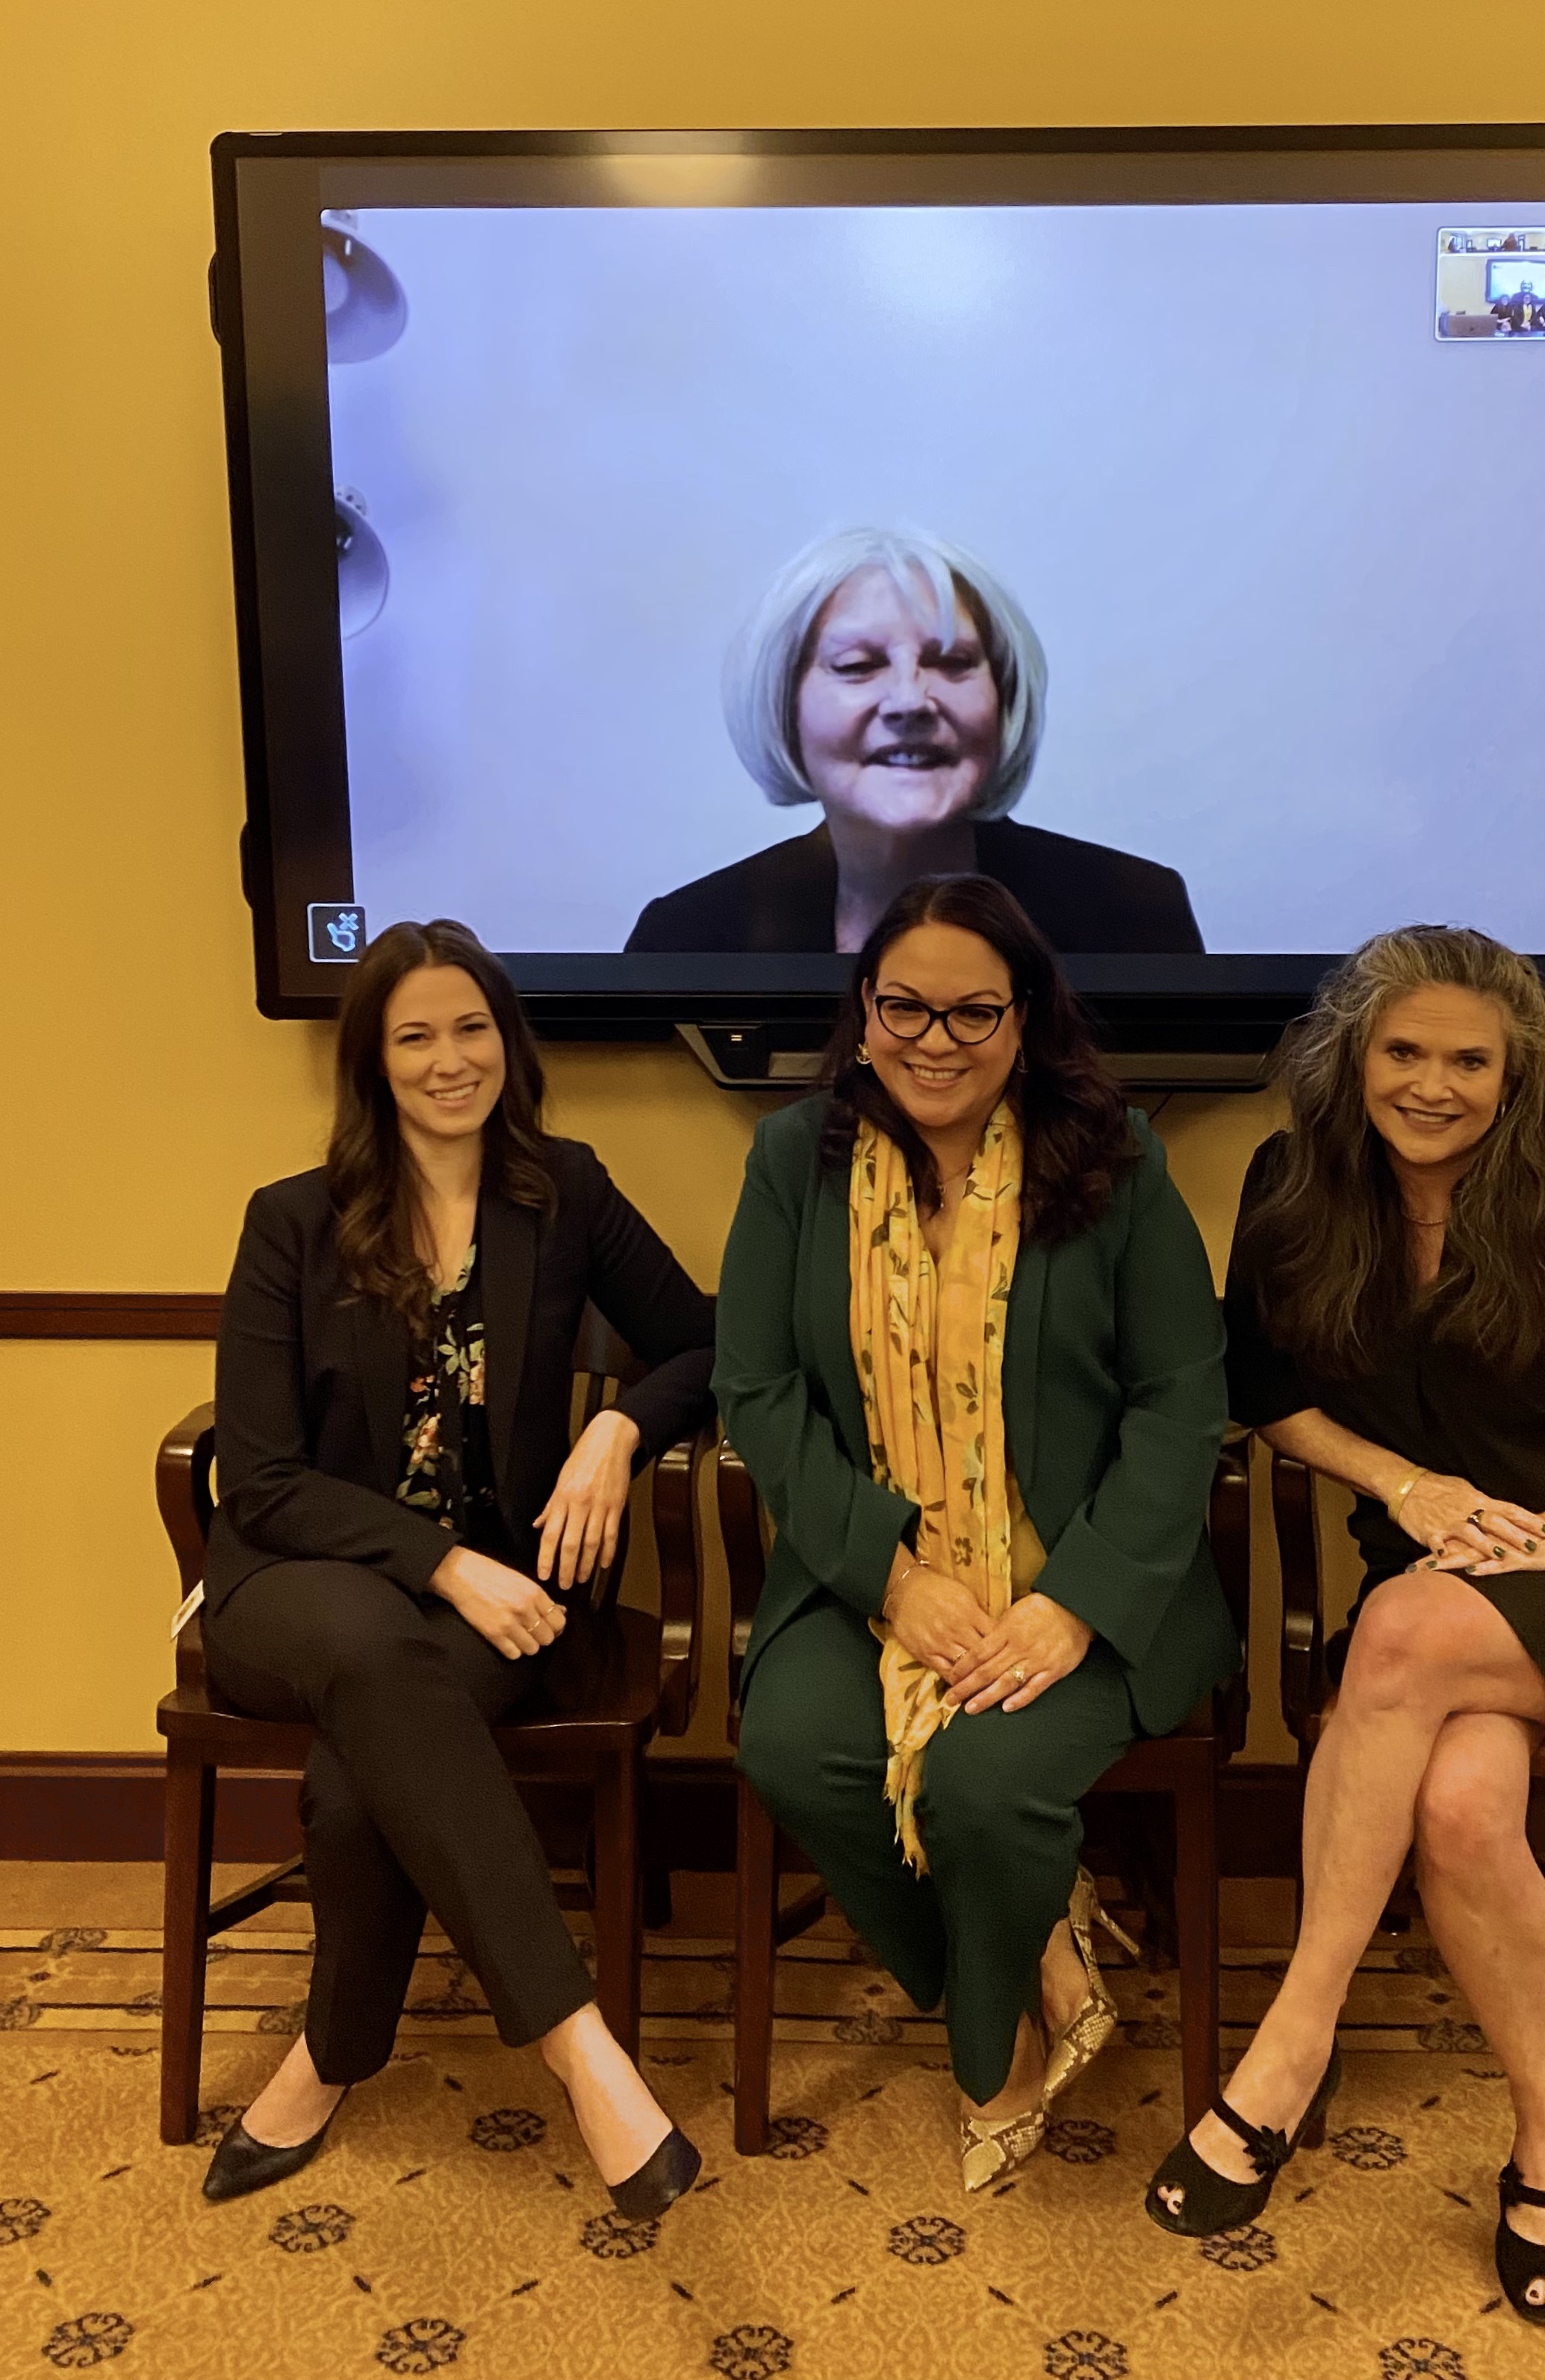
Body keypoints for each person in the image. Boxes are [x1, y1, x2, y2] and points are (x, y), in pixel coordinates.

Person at [1145, 925, 1545, 2326]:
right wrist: (1406, 1483)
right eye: (1402, 1050)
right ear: (1349, 1058)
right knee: (1453, 1801)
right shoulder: (1293, 1189)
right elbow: (1264, 1389)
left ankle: (1291, 2040)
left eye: (1466, 1059)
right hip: (1453, 1580)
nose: (1430, 1083)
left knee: (1394, 1633)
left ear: (1516, 1076)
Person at [715, 873, 1237, 2189]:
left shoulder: (1115, 1157)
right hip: (862, 1572)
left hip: (1083, 1582)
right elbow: (759, 1395)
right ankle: (1011, 1987)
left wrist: (1072, 1602)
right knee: (792, 1748)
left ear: (1023, 1018)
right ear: (862, 1007)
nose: (932, 1041)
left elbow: (1182, 1400)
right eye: (904, 1006)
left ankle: (976, 2045)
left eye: (970, 1012)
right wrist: (890, 1580)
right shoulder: (795, 1159)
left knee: (985, 1787)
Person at [198, 919, 717, 2219]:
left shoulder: (565, 1189)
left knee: (355, 1781)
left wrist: (619, 1424)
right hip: (294, 1584)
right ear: (373, 1060)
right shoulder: (292, 1222)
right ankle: (580, 2049)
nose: (449, 1058)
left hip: (499, 1599)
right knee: (376, 1651)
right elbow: (261, 1478)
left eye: (471, 1026)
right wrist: (439, 1564)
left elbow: (708, 1345)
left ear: (508, 1039)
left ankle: (330, 2051)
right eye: (415, 1034)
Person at [624, 528, 1204, 956]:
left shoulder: (1133, 913)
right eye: (856, 666)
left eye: (952, 663)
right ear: (783, 704)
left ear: (1004, 697)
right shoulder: (687, 937)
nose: (910, 701)